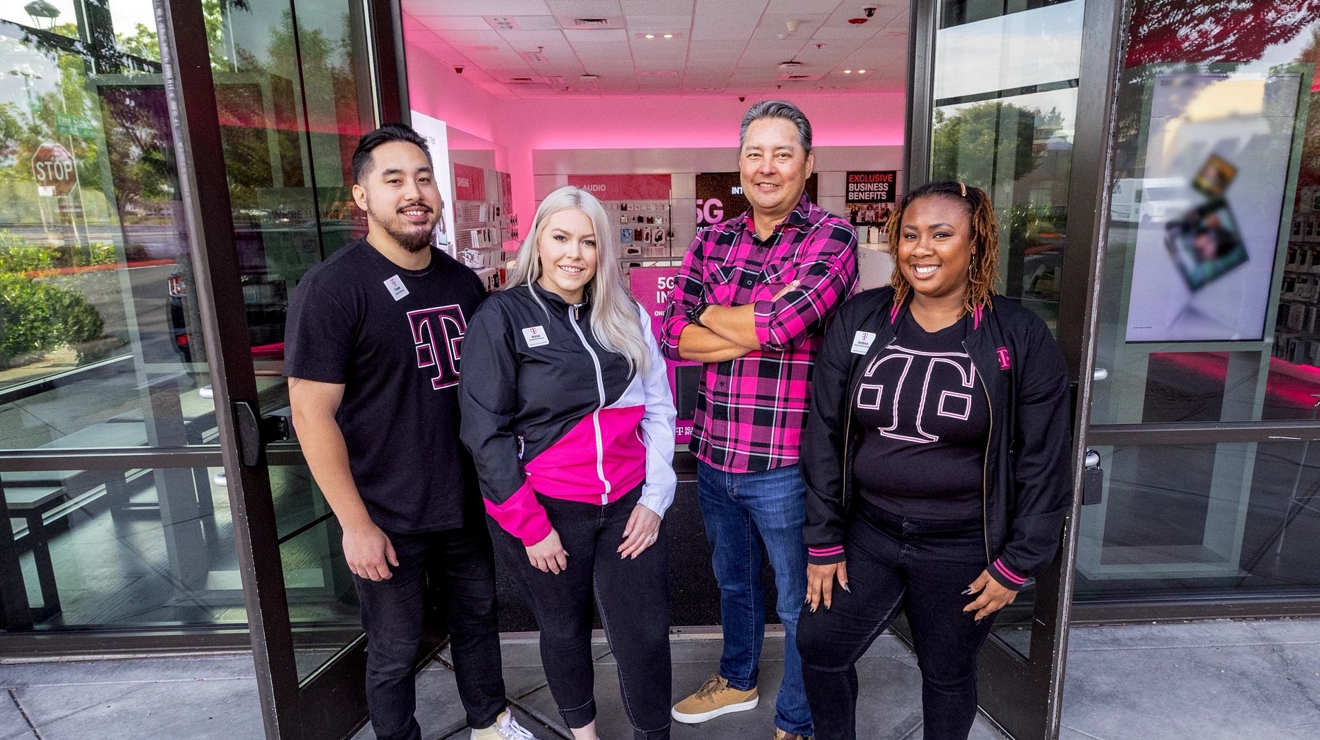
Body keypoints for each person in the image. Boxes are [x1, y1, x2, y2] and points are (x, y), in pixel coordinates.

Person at [796, 181, 1073, 740]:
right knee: (820, 646)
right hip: (868, 532)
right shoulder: (861, 320)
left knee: (946, 673)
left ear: (975, 245)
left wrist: (1019, 561)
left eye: (941, 235)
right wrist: (824, 538)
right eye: (910, 235)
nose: (921, 249)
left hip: (964, 544)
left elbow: (1045, 460)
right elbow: (824, 432)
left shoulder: (1018, 335)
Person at [285, 124, 533, 740]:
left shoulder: (460, 283)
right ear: (362, 196)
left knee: (478, 625)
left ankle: (489, 723)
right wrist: (355, 525)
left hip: (464, 503)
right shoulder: (333, 289)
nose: (413, 192)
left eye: (423, 178)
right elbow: (310, 415)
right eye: (393, 179)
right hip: (386, 514)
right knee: (394, 653)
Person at [662, 100, 858, 740]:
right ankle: (738, 680)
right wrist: (754, 323)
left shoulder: (833, 238)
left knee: (802, 602)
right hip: (716, 456)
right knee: (733, 585)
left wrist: (720, 314)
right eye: (754, 153)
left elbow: (785, 322)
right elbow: (670, 333)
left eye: (782, 153)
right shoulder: (713, 237)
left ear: (808, 164)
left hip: (788, 463)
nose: (766, 167)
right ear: (739, 165)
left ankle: (797, 721)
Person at [460, 186, 678, 740]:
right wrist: (533, 529)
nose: (573, 254)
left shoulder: (625, 314)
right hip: (547, 510)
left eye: (588, 242)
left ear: (604, 251)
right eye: (560, 237)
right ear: (537, 241)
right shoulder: (502, 316)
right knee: (563, 629)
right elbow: (485, 435)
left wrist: (655, 499)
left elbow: (658, 407)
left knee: (646, 632)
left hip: (628, 503)